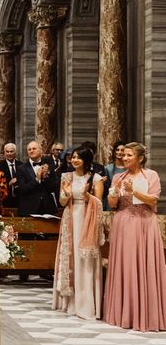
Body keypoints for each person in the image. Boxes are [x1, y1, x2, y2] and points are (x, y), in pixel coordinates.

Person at [103, 142, 166, 332]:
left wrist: (134, 191)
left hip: (145, 222)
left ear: (140, 158)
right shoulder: (118, 176)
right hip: (123, 222)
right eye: (124, 155)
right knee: (125, 265)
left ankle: (148, 313)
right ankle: (125, 312)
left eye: (130, 155)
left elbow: (153, 199)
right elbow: (113, 203)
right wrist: (112, 194)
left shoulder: (151, 175)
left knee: (145, 265)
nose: (125, 157)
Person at [53, 147, 104, 320]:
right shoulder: (66, 177)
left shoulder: (95, 178)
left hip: (87, 218)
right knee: (71, 255)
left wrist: (87, 196)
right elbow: (62, 202)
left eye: (78, 158)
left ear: (86, 160)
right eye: (73, 157)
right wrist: (66, 194)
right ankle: (70, 302)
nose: (74, 160)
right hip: (71, 217)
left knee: (86, 259)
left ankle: (87, 302)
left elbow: (99, 203)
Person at [16, 141, 59, 216]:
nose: (31, 151)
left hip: (47, 207)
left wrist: (45, 178)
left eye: (34, 148)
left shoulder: (48, 166)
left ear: (40, 150)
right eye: (29, 149)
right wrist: (36, 179)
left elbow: (54, 187)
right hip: (28, 208)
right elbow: (22, 189)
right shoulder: (21, 168)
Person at [0, 143, 23, 208]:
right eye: (7, 151)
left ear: (15, 152)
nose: (9, 153)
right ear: (4, 153)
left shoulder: (22, 165)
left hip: (19, 200)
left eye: (11, 151)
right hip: (4, 200)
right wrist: (9, 184)